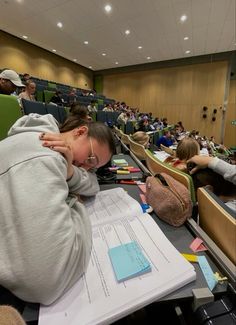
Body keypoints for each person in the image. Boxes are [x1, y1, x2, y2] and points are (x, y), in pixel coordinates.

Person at [0, 113, 115, 305]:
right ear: (80, 132)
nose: (86, 168)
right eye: (91, 158)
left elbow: (92, 184)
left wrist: (70, 171)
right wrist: (74, 201)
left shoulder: (53, 149)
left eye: (92, 167)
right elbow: (46, 284)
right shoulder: (46, 153)